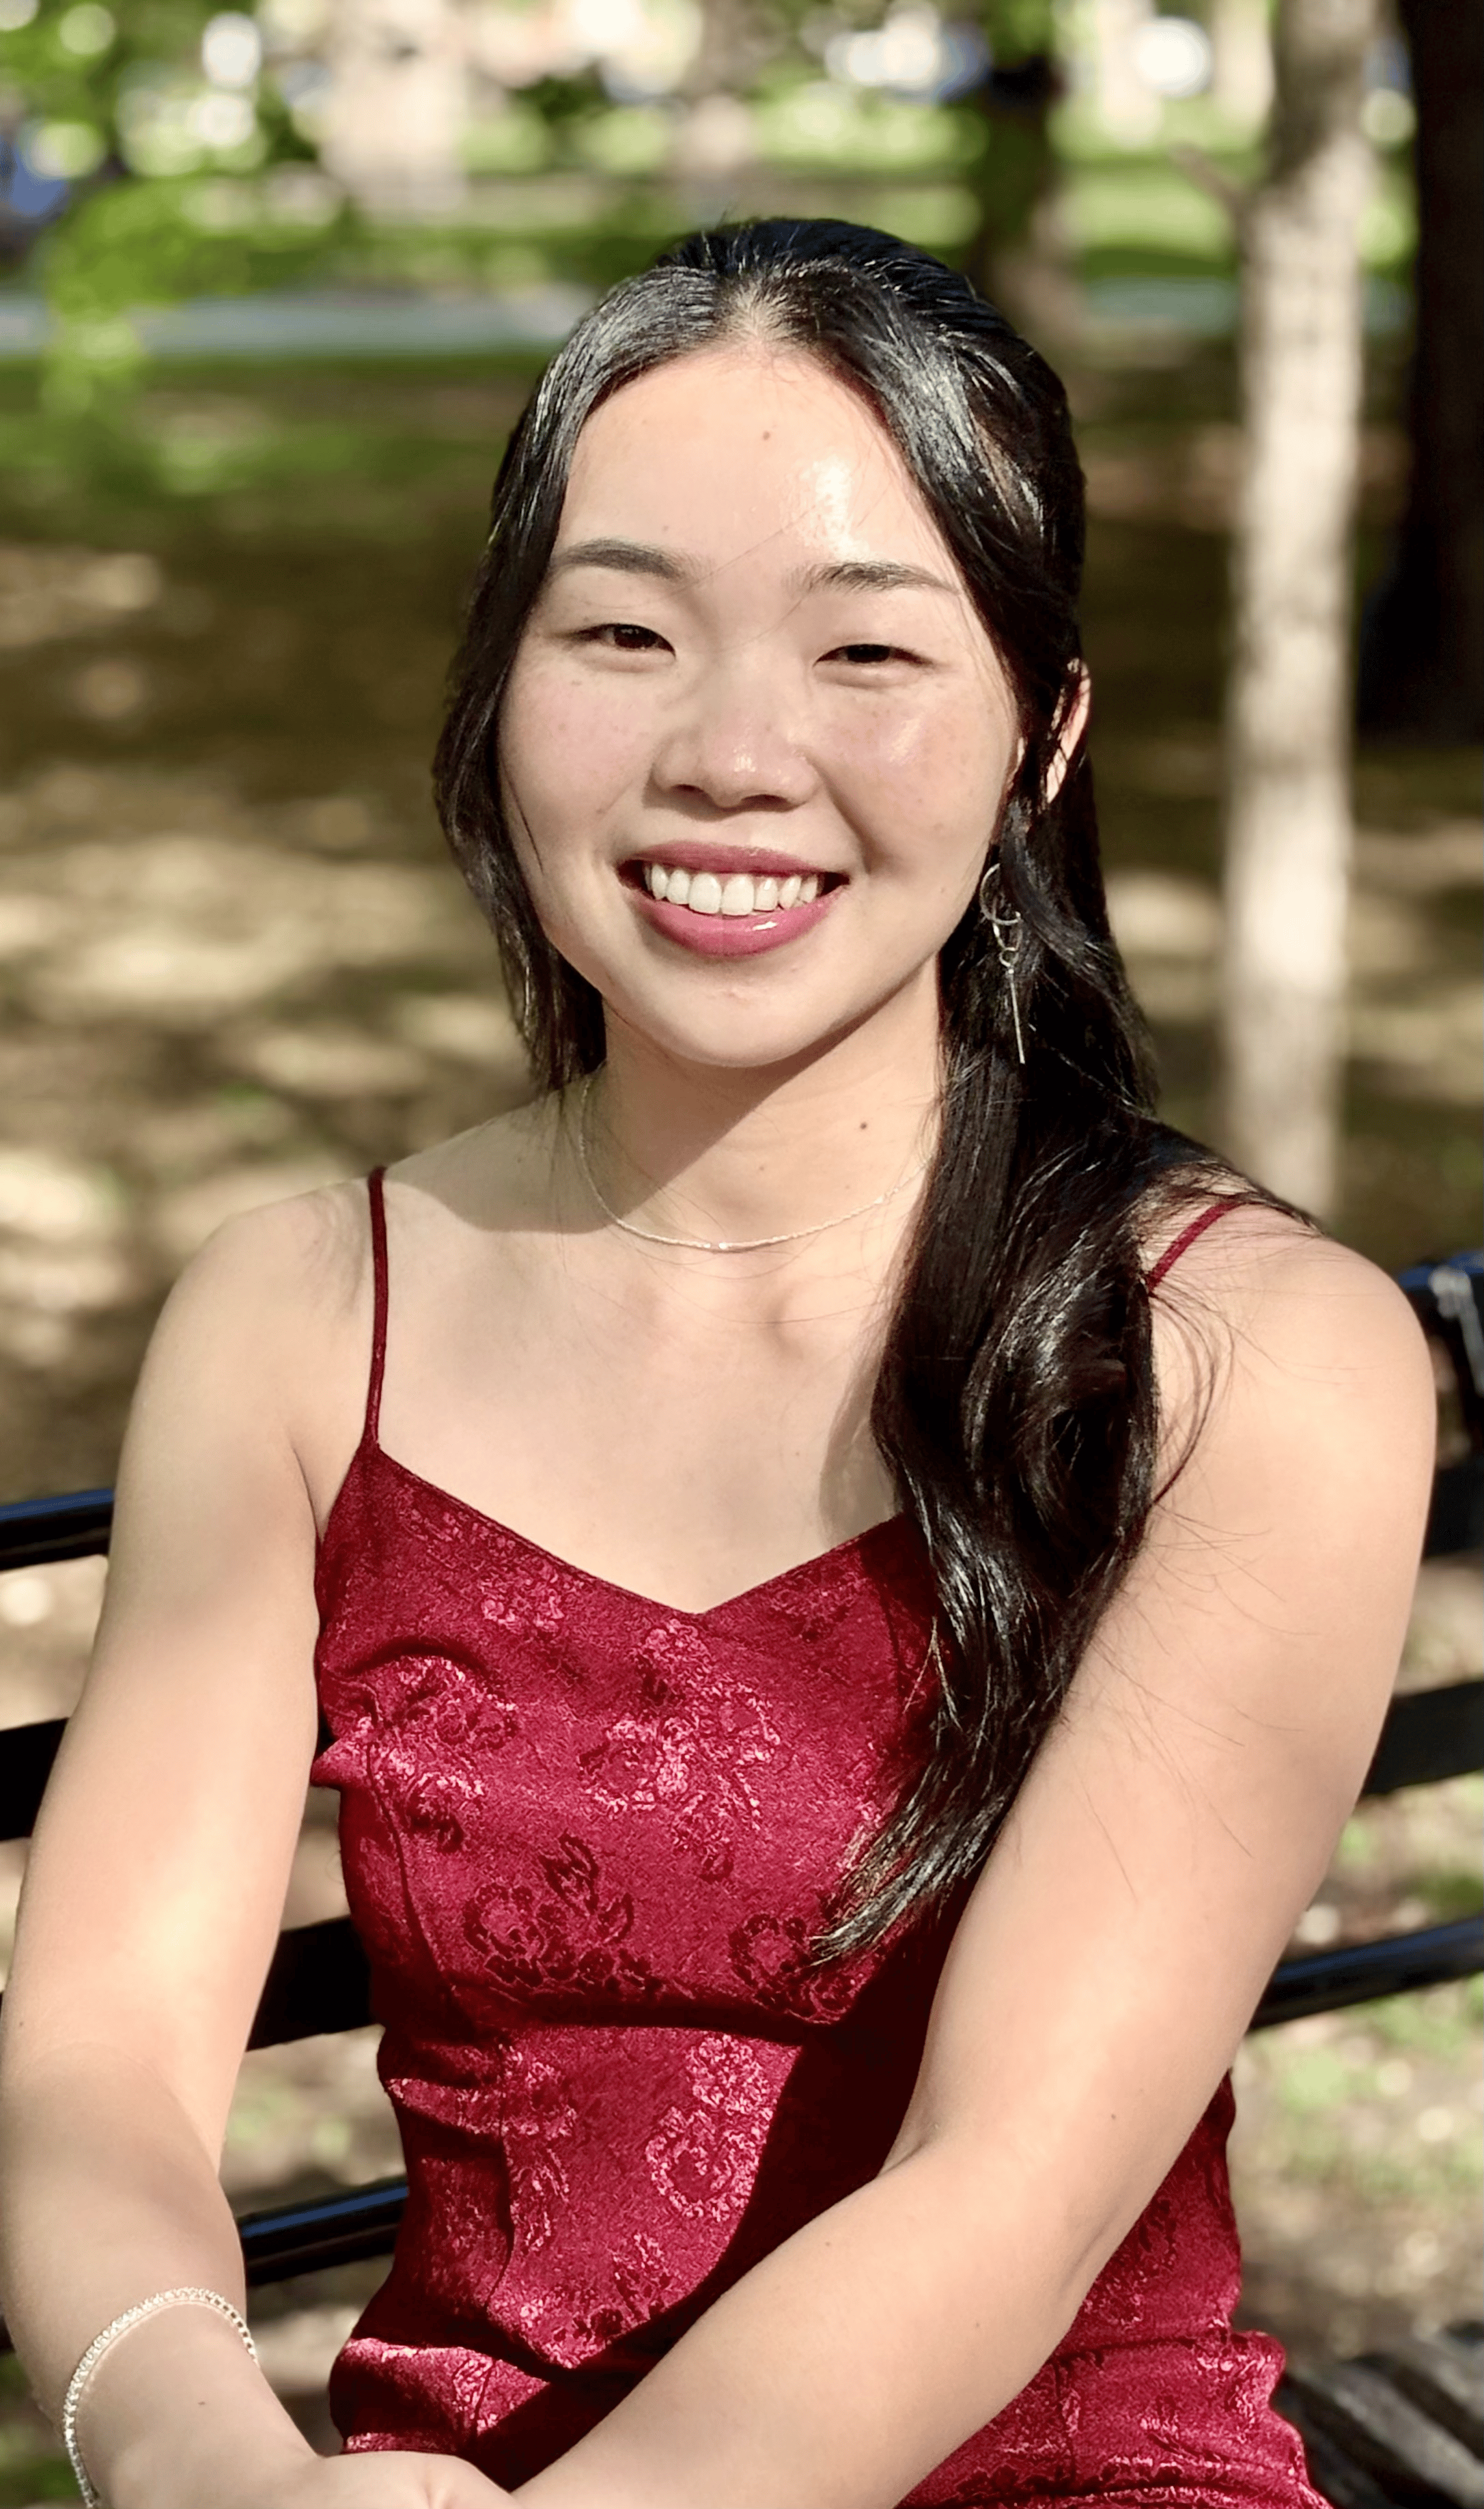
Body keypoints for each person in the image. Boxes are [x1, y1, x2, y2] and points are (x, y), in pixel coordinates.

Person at [0, 219, 1434, 2509]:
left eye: (866, 649)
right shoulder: (300, 1325)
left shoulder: (1239, 1359)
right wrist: (211, 2470)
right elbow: (96, 2071)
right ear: (499, 685)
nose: (732, 755)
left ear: (1041, 733)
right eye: (622, 634)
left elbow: (1007, 2180)